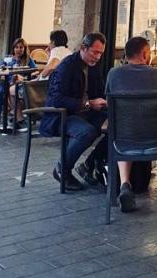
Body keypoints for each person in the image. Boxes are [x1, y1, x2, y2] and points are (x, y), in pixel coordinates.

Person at [106, 35, 157, 212]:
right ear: (145, 54)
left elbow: (109, 105)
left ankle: (125, 184)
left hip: (123, 143)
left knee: (126, 133)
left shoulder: (114, 74)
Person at [39, 32, 108, 192]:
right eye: (95, 52)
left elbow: (100, 91)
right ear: (83, 48)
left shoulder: (94, 67)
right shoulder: (67, 66)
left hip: (85, 113)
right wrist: (88, 103)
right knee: (86, 132)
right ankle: (62, 170)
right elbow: (56, 99)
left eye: (101, 53)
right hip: (62, 115)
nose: (98, 57)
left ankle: (88, 165)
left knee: (116, 127)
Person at [2, 37, 37, 129]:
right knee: (6, 90)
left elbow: (36, 71)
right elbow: (1, 70)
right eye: (16, 47)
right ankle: (18, 117)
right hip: (9, 83)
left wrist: (24, 78)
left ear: (24, 49)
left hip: (23, 84)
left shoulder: (28, 59)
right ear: (13, 48)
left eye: (21, 47)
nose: (18, 49)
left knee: (11, 91)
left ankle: (19, 118)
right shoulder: (8, 60)